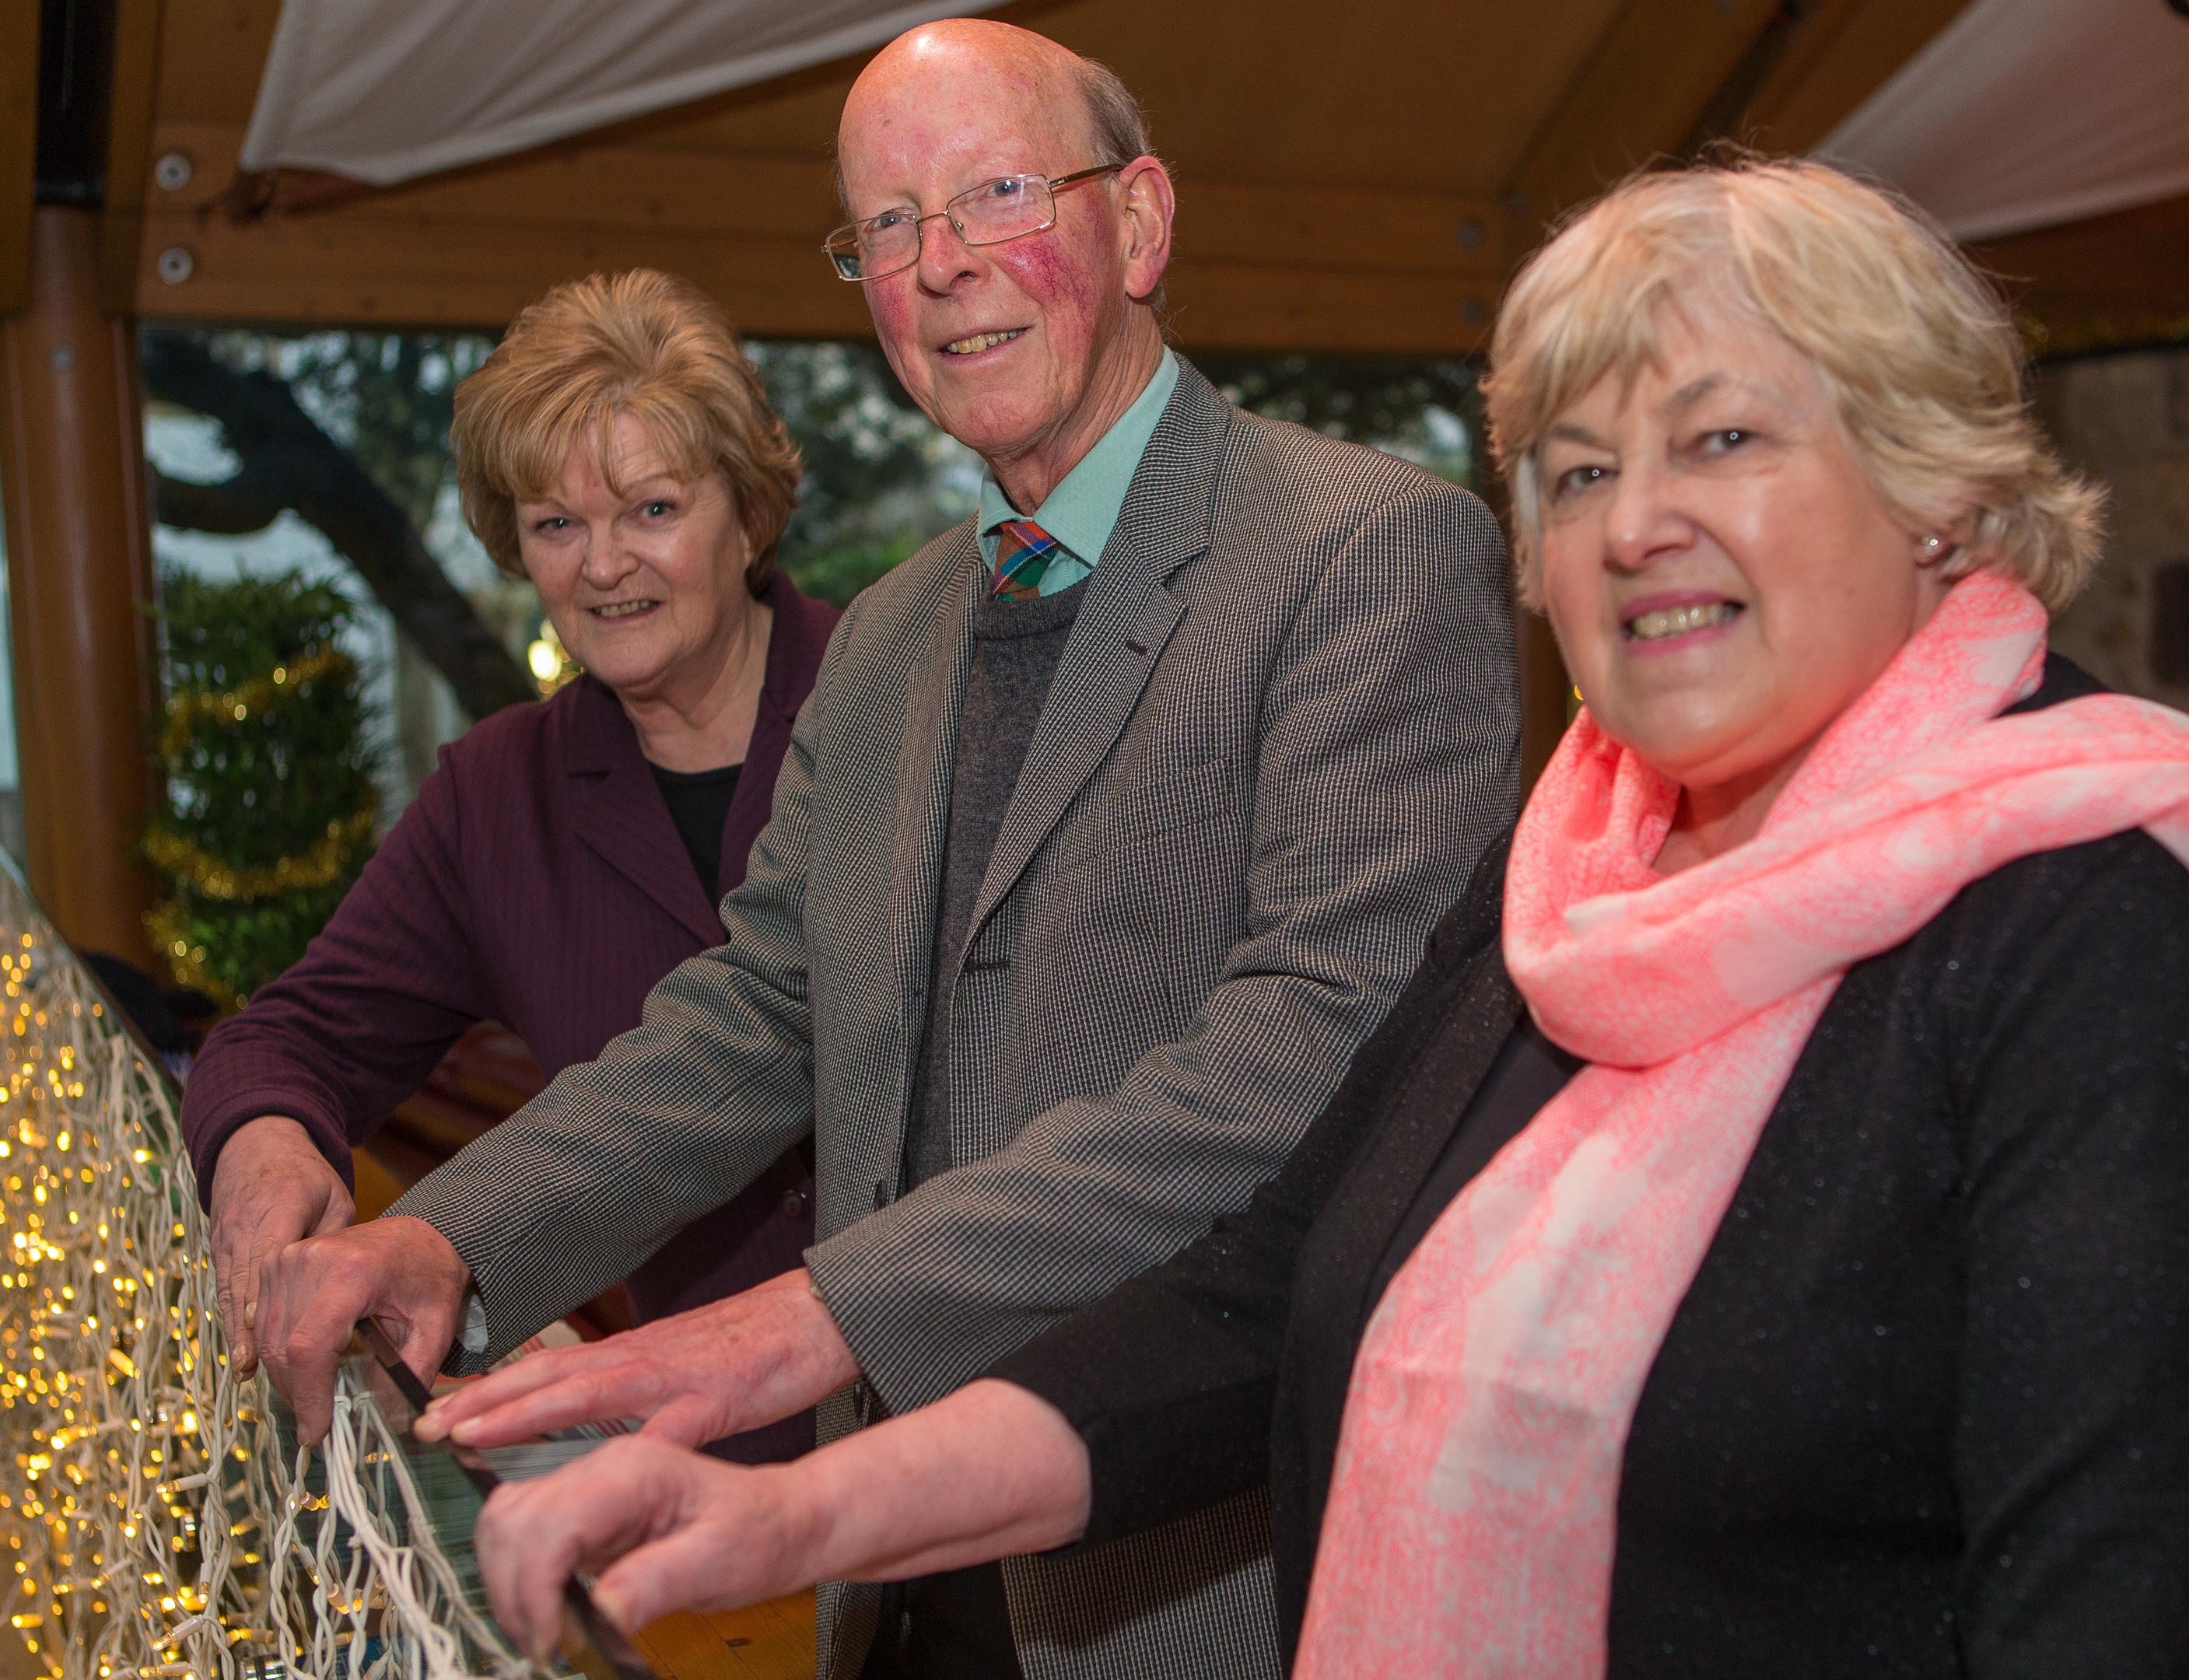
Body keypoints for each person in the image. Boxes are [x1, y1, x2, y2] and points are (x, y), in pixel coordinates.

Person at [468, 158, 2189, 1680]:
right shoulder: (1576, 871)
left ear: (1939, 491)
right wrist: (796, 1517)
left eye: (1725, 443)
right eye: (1580, 470)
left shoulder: (2114, 922)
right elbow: (1255, 1299)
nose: (1634, 526)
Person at [250, 17, 1520, 1680]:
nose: (941, 268)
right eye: (888, 229)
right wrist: (457, 1239)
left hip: (1188, 1570)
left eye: (997, 193)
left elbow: (1311, 1052)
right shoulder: (903, 626)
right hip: (895, 1583)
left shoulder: (1368, 549)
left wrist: (819, 1313)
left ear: (1139, 225)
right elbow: (768, 1000)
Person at [182, 268, 839, 1463]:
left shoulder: (901, 703)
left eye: (650, 509)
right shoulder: (500, 793)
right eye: (555, 525)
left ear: (746, 514)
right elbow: (289, 1038)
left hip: (980, 1417)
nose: (602, 566)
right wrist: (264, 1143)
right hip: (701, 1466)